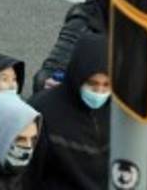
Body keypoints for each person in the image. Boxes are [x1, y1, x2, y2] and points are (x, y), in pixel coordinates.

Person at [28, 32, 110, 189]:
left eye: (107, 85)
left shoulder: (120, 112)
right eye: (92, 83)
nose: (99, 91)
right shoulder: (43, 110)